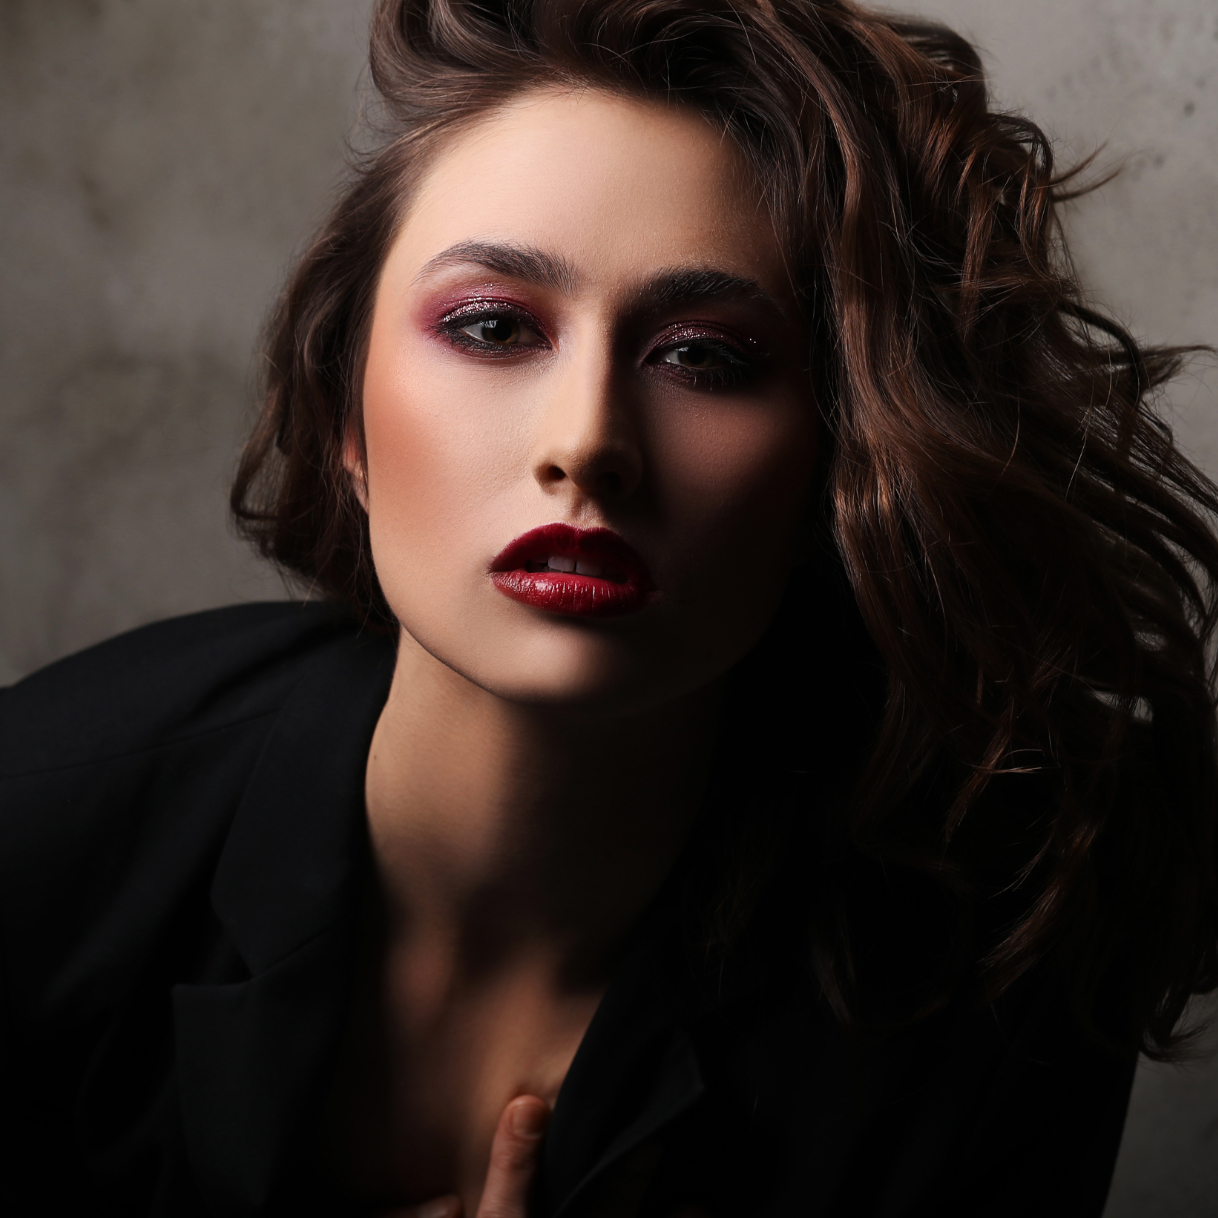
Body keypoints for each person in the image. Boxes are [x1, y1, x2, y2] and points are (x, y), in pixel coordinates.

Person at [2, 0, 1217, 1215]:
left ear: (838, 463)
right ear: (344, 422)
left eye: (704, 357)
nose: (586, 442)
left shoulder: (1006, 949)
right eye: (491, 327)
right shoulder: (41, 832)